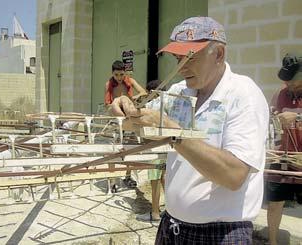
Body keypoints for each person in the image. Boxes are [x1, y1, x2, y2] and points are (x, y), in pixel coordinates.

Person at [110, 16, 269, 244]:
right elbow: (135, 120)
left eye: (190, 58)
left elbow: (234, 175)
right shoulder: (180, 92)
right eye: (177, 58)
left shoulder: (243, 95)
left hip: (221, 234)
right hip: (173, 226)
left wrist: (173, 131)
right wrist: (123, 107)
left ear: (219, 54)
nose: (181, 68)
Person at [266, 52, 302, 245]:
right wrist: (274, 119)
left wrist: (297, 118)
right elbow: (270, 118)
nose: (288, 85)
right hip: (283, 157)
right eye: (286, 81)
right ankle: (272, 242)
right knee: (274, 203)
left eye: (292, 81)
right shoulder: (279, 94)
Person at [105, 60, 147, 192]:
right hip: (117, 120)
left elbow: (144, 93)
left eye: (121, 74)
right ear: (112, 73)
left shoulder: (130, 81)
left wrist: (132, 98)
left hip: (130, 119)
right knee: (113, 149)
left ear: (125, 73)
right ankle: (112, 180)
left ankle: (127, 176)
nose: (119, 77)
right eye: (116, 74)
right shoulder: (109, 84)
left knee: (131, 148)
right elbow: (107, 104)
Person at [136, 80, 166, 222]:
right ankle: (170, 210)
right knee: (165, 178)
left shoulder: (152, 105)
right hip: (167, 146)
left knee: (155, 180)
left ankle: (155, 212)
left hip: (154, 145)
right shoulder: (167, 102)